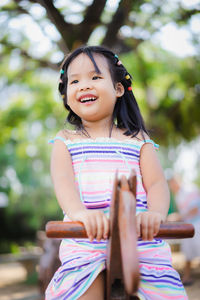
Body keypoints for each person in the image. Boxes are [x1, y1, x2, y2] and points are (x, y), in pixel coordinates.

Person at [45, 46, 188, 299]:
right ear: (66, 95)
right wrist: (81, 214)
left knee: (164, 291)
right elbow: (63, 181)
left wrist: (155, 215)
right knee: (81, 290)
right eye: (74, 81)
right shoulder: (65, 140)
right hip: (86, 242)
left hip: (140, 241)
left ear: (119, 88)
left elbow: (156, 184)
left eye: (95, 77)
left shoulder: (138, 139)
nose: (84, 85)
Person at [169, 176, 200, 286]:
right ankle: (187, 277)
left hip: (197, 224)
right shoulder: (177, 195)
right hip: (188, 225)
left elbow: (195, 209)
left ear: (177, 180)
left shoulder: (190, 189)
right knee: (187, 252)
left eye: (172, 182)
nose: (171, 185)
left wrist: (178, 216)